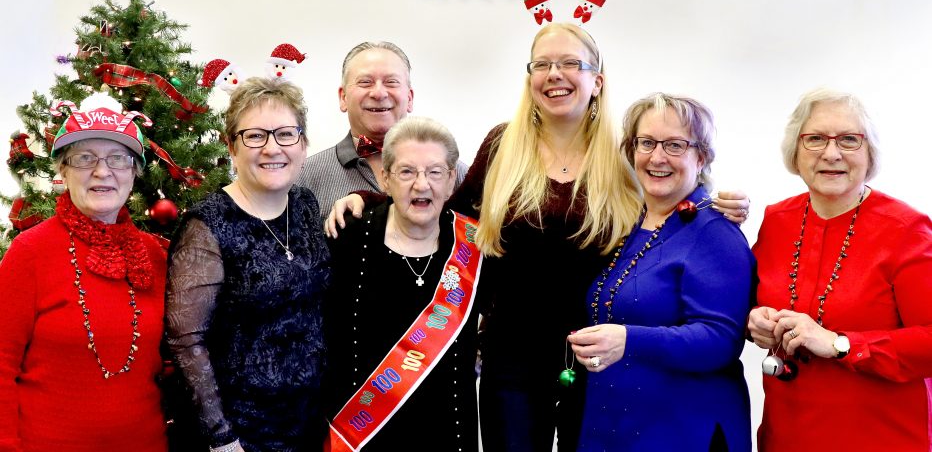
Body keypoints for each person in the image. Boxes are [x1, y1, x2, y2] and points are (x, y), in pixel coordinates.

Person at [328, 24, 751, 451]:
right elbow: (445, 213)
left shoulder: (624, 158)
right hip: (509, 358)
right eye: (543, 64)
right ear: (529, 77)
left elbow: (665, 207)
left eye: (571, 63)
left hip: (596, 359)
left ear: (596, 81)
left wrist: (715, 203)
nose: (555, 74)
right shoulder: (501, 147)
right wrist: (369, 200)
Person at [747, 88, 932, 451]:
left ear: (869, 153)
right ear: (796, 152)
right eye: (815, 139)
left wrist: (840, 344)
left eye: (849, 140)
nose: (832, 153)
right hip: (786, 434)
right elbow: (749, 302)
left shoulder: (906, 229)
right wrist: (755, 320)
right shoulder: (776, 219)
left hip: (880, 437)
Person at [567, 93, 754, 451]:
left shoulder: (715, 230)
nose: (657, 157)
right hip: (617, 424)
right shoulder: (630, 222)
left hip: (684, 431)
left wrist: (629, 340)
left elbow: (720, 341)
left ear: (701, 157)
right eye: (647, 143)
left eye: (674, 145)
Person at [164, 77, 331, 452]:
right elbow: (186, 341)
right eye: (255, 136)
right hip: (243, 433)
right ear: (232, 146)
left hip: (308, 423)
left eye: (286, 134)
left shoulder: (304, 204)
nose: (273, 148)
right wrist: (222, 437)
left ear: (303, 144)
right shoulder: (206, 226)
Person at [0, 93, 167, 451]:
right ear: (63, 169)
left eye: (118, 158)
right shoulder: (29, 252)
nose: (102, 171)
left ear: (134, 173)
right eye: (84, 158)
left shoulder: (156, 255)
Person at [324, 116, 481, 451]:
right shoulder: (346, 240)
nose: (421, 185)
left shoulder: (477, 246)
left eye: (435, 172)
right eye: (407, 172)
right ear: (385, 178)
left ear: (452, 179)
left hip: (448, 433)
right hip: (362, 435)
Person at [296, 41, 466, 215]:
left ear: (410, 98)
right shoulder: (305, 178)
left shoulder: (454, 173)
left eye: (391, 82)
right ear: (343, 97)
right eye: (365, 82)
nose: (378, 93)